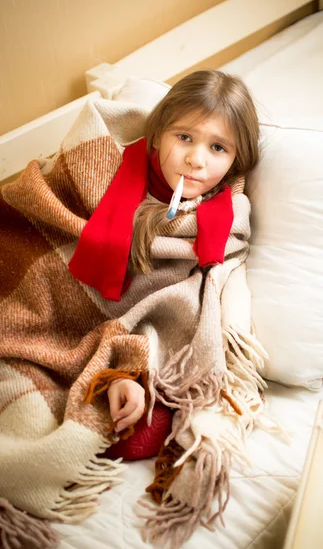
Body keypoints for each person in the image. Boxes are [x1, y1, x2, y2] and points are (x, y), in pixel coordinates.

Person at [69, 69, 260, 451]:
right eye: (184, 137)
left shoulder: (226, 218)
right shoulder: (106, 169)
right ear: (158, 134)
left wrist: (132, 370)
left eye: (218, 148)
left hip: (132, 345)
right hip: (68, 323)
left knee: (144, 430)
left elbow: (182, 306)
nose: (195, 159)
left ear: (238, 158)